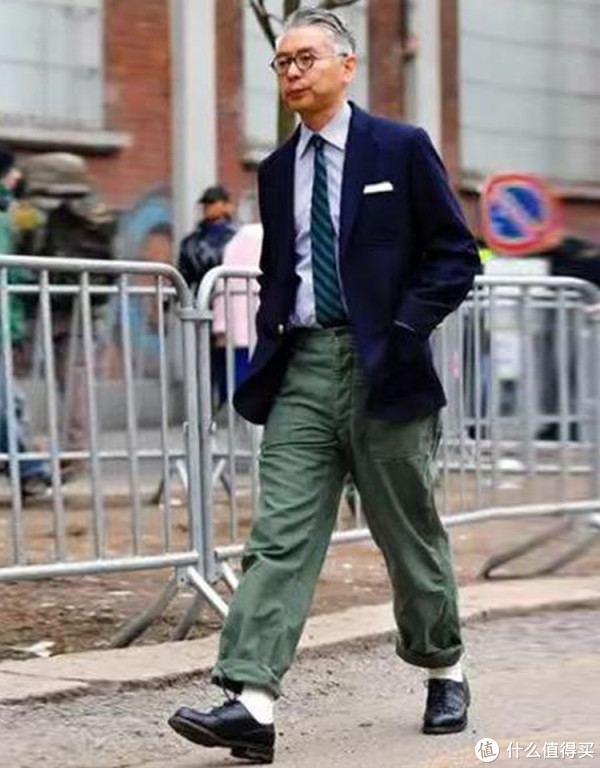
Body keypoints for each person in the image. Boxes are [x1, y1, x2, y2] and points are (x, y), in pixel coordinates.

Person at [169, 9, 480, 763]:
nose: (292, 72)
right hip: (303, 369)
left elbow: (454, 255)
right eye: (281, 62)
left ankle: (443, 666)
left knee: (407, 534)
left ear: (347, 65)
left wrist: (403, 328)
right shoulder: (278, 170)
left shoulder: (400, 148)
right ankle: (251, 700)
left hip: (386, 370)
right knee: (279, 535)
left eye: (305, 58)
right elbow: (283, 270)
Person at [0, 147, 52, 499]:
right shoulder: (6, 216)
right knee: (8, 401)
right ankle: (29, 470)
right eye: (12, 171)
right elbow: (10, 269)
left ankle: (28, 468)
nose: (17, 177)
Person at [178, 184, 239, 407]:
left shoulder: (237, 237)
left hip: (233, 305)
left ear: (226, 205)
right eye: (205, 204)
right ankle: (208, 404)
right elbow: (184, 274)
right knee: (206, 356)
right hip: (205, 304)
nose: (207, 207)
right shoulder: (191, 241)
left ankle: (228, 401)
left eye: (212, 203)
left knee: (231, 355)